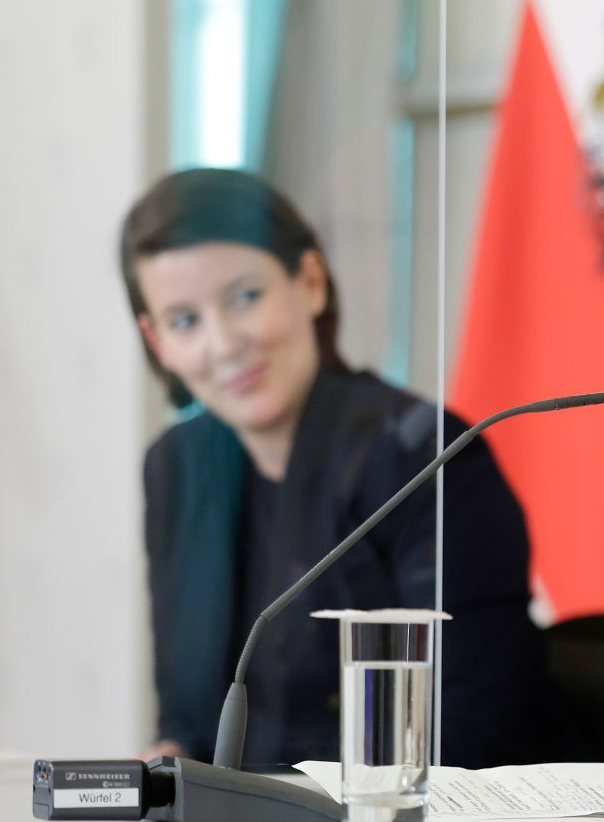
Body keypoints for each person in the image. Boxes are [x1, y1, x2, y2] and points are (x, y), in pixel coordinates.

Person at [122, 167, 556, 769]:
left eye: (245, 297)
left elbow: (466, 737)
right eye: (184, 321)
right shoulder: (177, 466)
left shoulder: (426, 457)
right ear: (156, 341)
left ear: (311, 282)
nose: (222, 344)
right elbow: (187, 721)